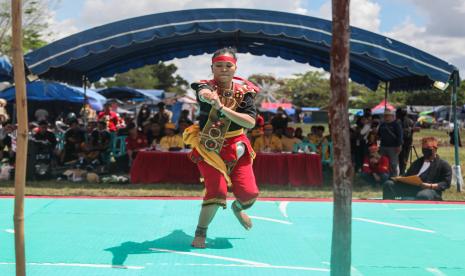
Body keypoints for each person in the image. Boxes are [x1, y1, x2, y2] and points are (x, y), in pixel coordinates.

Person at [183, 47, 260, 249]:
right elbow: (203, 93)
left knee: (250, 195)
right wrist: (210, 97)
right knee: (217, 191)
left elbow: (250, 123)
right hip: (209, 147)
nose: (224, 69)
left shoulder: (245, 91)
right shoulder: (204, 86)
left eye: (228, 65)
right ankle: (201, 231)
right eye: (219, 66)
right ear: (212, 67)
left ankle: (237, 207)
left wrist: (222, 108)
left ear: (235, 68)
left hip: (238, 147)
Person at [383, 137, 452, 200]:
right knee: (388, 184)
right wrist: (399, 179)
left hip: (430, 190)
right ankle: (390, 208)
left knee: (423, 195)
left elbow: (446, 183)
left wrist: (430, 186)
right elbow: (407, 175)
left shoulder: (443, 165)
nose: (425, 150)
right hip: (412, 188)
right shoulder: (418, 162)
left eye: (428, 148)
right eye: (424, 148)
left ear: (435, 149)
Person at [378, 109, 403, 176]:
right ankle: (384, 176)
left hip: (393, 147)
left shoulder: (396, 125)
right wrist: (378, 145)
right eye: (385, 115)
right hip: (383, 146)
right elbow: (379, 136)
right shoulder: (382, 125)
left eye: (388, 115)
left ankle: (394, 177)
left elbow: (400, 136)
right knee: (382, 161)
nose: (386, 117)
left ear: (392, 116)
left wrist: (399, 146)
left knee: (393, 163)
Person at [396, 108, 415, 175]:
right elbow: (412, 132)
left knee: (401, 158)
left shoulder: (398, 121)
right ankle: (402, 171)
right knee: (405, 158)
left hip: (402, 143)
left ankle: (402, 172)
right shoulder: (411, 121)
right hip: (408, 142)